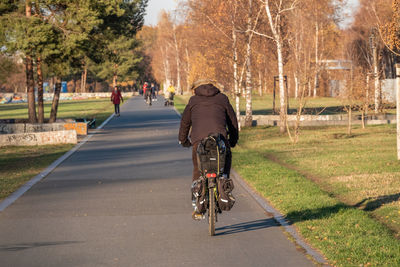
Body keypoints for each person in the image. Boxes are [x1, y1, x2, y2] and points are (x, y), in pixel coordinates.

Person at [178, 80, 239, 220]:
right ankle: (224, 186)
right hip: (220, 141)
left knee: (198, 170)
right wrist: (233, 140)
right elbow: (232, 122)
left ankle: (196, 203)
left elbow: (185, 123)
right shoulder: (222, 99)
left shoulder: (193, 101)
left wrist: (184, 140)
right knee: (224, 165)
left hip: (199, 142)